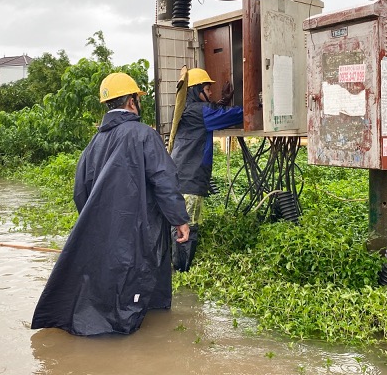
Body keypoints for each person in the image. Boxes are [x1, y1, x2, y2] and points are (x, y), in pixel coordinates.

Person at [31, 72, 190, 336]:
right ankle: (125, 332)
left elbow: (80, 190)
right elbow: (164, 180)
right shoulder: (143, 135)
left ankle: (105, 328)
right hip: (140, 228)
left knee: (114, 277)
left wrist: (95, 220)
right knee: (139, 277)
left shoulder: (95, 142)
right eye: (137, 99)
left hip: (106, 230)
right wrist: (180, 220)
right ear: (131, 102)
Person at [170, 68, 243, 271]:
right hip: (189, 180)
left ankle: (174, 268)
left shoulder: (187, 109)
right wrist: (255, 107)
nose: (211, 93)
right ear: (196, 90)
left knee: (177, 224)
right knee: (187, 227)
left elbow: (210, 113)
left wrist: (221, 102)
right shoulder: (198, 111)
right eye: (208, 89)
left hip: (180, 177)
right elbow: (228, 116)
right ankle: (182, 271)